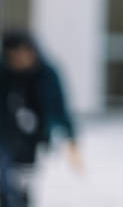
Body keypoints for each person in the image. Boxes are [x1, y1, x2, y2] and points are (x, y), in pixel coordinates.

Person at [0, 31, 79, 207]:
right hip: (4, 135)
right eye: (13, 56)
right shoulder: (4, 74)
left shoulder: (47, 74)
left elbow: (58, 107)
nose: (18, 60)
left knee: (22, 180)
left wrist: (71, 138)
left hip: (32, 138)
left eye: (22, 54)